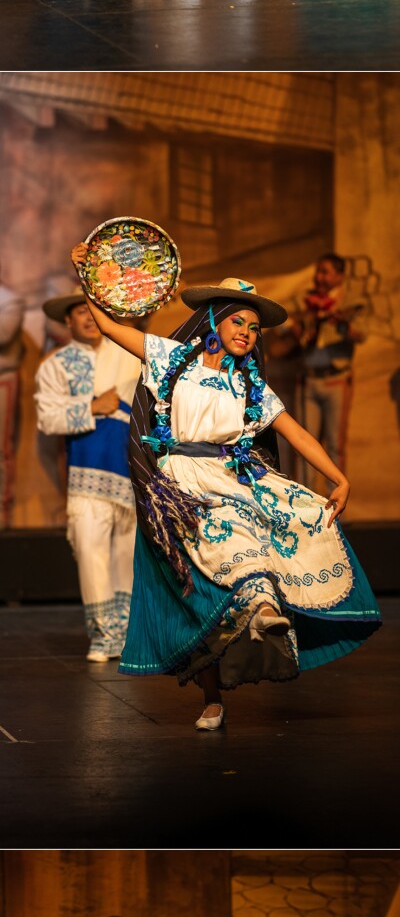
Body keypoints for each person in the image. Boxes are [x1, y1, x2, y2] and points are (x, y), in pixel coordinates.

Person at [70, 253, 381, 730]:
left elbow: (296, 433)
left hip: (229, 478)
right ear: (214, 318)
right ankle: (213, 695)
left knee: (257, 541)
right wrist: (84, 277)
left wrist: (337, 477)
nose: (248, 333)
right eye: (240, 321)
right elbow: (110, 327)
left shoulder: (249, 386)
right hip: (180, 487)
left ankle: (261, 610)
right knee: (198, 593)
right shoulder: (172, 359)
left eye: (255, 329)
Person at [34, 290, 141, 663]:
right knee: (91, 552)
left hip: (128, 475)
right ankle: (103, 634)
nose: (89, 318)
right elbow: (47, 417)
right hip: (87, 476)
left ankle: (126, 633)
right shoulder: (56, 365)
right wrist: (92, 406)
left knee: (125, 557)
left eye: (95, 311)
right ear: (68, 320)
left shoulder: (130, 355)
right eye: (82, 311)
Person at [267, 254, 368, 488]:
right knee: (304, 442)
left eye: (325, 272)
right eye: (318, 271)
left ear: (339, 276)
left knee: (335, 444)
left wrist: (341, 323)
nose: (319, 277)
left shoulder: (350, 302)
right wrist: (297, 324)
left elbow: (363, 332)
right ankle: (307, 503)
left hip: (336, 379)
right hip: (308, 379)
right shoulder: (306, 300)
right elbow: (279, 321)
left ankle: (338, 501)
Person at [0, 262, 24, 529]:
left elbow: (3, 335)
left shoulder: (10, 299)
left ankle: (2, 514)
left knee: (0, 451)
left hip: (2, 380)